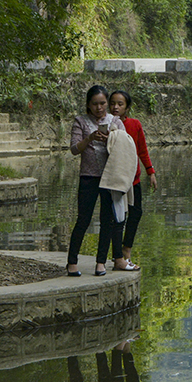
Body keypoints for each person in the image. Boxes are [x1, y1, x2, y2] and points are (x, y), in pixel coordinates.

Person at [66, 84, 131, 277]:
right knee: (83, 220)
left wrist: (110, 138)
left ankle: (101, 262)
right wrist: (90, 138)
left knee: (107, 221)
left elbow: (125, 144)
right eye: (95, 104)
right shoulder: (80, 121)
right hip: (88, 177)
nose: (100, 108)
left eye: (103, 103)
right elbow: (74, 149)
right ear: (88, 105)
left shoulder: (115, 121)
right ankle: (72, 262)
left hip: (110, 177)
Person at [109, 90, 156, 269]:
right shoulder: (107, 125)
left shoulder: (134, 124)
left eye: (120, 104)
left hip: (133, 178)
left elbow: (141, 149)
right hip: (115, 179)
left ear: (127, 107)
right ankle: (117, 255)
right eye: (113, 103)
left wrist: (150, 171)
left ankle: (126, 250)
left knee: (135, 213)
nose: (116, 107)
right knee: (116, 216)